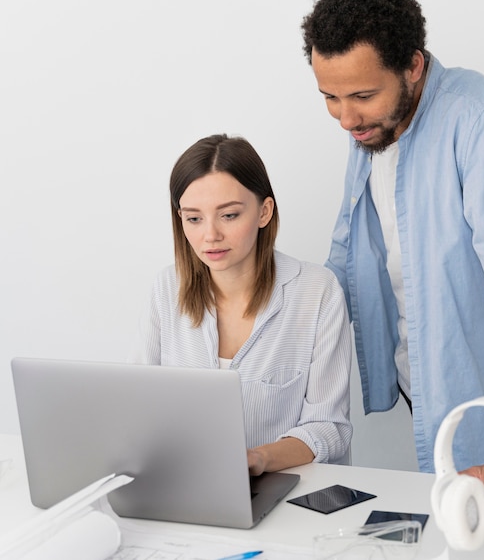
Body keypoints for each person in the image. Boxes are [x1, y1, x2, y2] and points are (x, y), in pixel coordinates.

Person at [300, 0, 484, 488]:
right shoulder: (372, 128)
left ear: (413, 66)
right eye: (329, 97)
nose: (345, 117)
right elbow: (348, 251)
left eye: (360, 94)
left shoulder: (481, 118)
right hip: (421, 382)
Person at [131, 133, 352, 475]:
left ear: (264, 211)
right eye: (194, 218)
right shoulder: (166, 288)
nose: (210, 235)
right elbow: (138, 406)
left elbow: (330, 427)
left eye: (229, 215)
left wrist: (258, 459)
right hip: (183, 482)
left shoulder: (317, 292)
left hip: (283, 489)